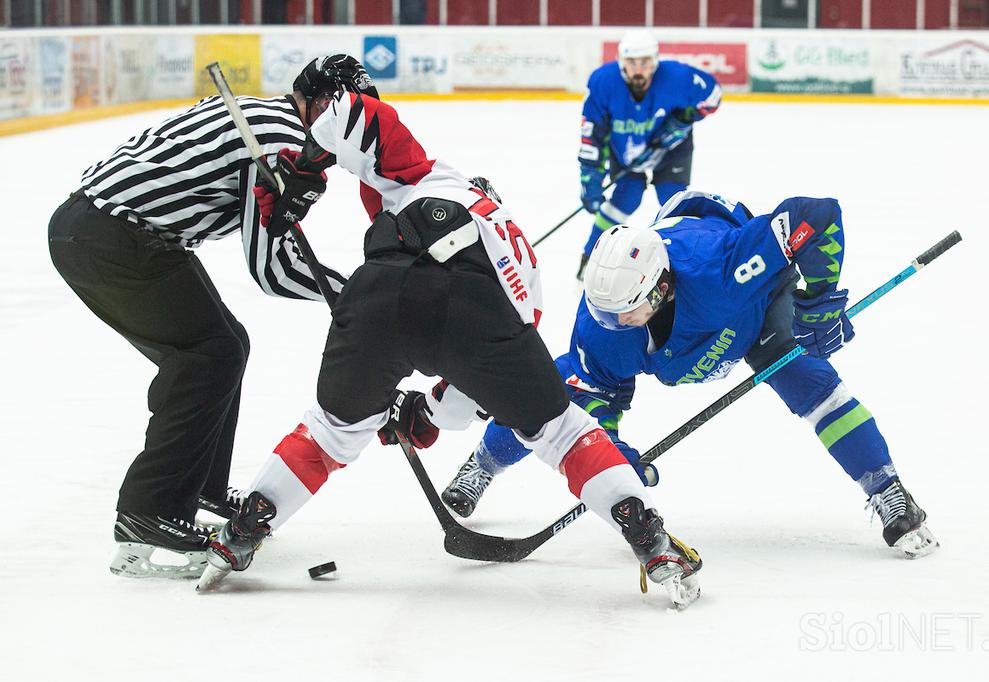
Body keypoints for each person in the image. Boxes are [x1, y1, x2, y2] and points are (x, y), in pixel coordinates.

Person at [197, 73, 704, 609]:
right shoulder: (524, 269)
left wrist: (300, 171)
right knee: (560, 433)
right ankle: (651, 541)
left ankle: (240, 535)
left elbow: (354, 114)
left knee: (329, 434)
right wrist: (429, 414)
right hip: (475, 312)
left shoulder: (437, 177)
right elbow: (477, 384)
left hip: (379, 296)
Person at [442, 189, 939, 560]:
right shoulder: (604, 325)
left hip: (754, 308)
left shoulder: (726, 268)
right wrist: (611, 459)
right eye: (605, 313)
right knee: (544, 396)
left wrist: (816, 306)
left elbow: (816, 217)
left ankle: (888, 490)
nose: (613, 326)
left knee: (814, 385)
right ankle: (485, 461)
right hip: (694, 294)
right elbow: (590, 409)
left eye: (625, 313)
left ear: (662, 287)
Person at [47, 55, 364, 579]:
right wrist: (361, 297)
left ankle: (201, 492)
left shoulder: (265, 118)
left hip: (105, 230)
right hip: (112, 239)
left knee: (223, 345)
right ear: (327, 103)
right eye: (351, 110)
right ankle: (149, 510)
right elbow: (273, 269)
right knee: (208, 354)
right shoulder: (281, 140)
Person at [576, 30, 722, 280]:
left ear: (655, 62)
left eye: (645, 62)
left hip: (670, 150)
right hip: (625, 151)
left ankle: (684, 263)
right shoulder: (603, 82)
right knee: (626, 198)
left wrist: (681, 121)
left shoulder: (676, 77)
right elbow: (593, 134)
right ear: (622, 61)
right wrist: (590, 180)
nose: (638, 69)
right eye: (632, 62)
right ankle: (591, 256)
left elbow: (713, 95)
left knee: (673, 201)